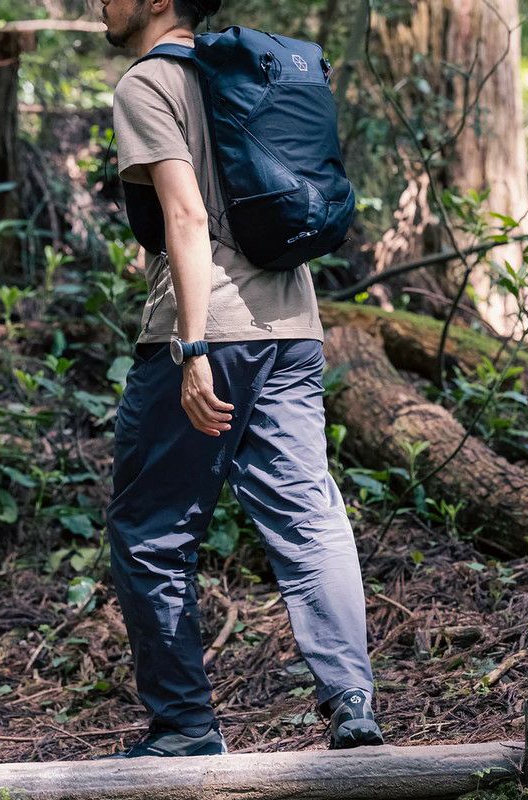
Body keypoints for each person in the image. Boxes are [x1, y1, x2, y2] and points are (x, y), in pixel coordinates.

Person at [101, 0, 385, 757]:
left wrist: (192, 347)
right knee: (308, 515)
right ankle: (352, 702)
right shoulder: (250, 71)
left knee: (151, 531)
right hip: (292, 328)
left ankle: (185, 727)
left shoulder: (148, 83)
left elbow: (186, 218)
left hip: (210, 331)